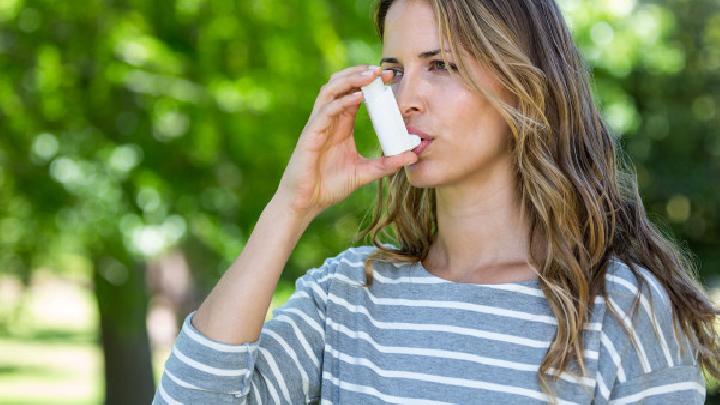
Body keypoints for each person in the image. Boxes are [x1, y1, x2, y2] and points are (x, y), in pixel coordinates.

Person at [152, 0, 719, 403]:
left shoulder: (620, 311)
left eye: (441, 65)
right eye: (394, 71)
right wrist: (291, 205)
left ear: (529, 83)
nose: (405, 99)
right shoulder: (348, 296)